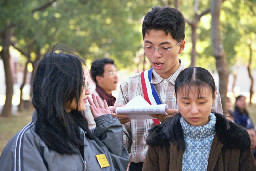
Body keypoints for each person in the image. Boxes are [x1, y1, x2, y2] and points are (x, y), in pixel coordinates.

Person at [115, 6, 223, 171]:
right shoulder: (130, 86)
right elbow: (120, 144)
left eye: (165, 47)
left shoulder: (202, 85)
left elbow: (217, 136)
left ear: (181, 47)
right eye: (149, 46)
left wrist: (184, 122)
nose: (156, 55)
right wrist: (112, 124)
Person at [0, 52, 129, 171]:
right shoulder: (27, 143)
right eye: (82, 84)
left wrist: (108, 126)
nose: (87, 91)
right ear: (62, 86)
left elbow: (115, 166)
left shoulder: (83, 137)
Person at [143, 67, 256, 171]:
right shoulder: (160, 137)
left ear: (214, 97)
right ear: (176, 97)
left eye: (201, 102)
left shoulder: (236, 137)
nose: (194, 110)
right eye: (186, 102)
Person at [85, 58, 118, 129]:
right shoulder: (89, 103)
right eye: (111, 73)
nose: (116, 77)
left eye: (116, 72)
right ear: (99, 79)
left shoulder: (114, 100)